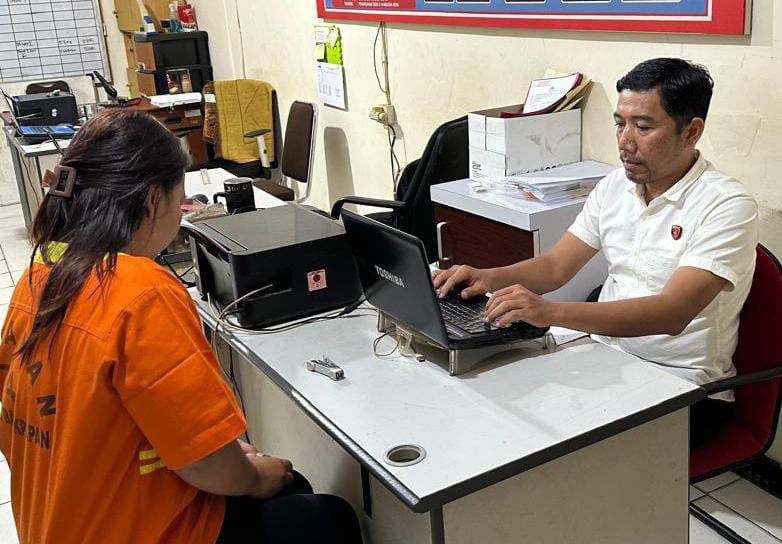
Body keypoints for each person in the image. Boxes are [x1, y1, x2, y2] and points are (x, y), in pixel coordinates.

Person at [0, 109, 363, 544]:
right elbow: (207, 466)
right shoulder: (141, 292)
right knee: (322, 512)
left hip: (55, 524)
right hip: (138, 531)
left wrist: (217, 458)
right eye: (180, 198)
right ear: (155, 199)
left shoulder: (40, 274)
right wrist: (257, 473)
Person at [434, 58, 759, 447]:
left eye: (643, 126)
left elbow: (673, 313)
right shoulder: (614, 187)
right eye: (620, 123)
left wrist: (551, 312)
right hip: (604, 357)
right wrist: (488, 276)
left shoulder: (727, 205)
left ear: (691, 131)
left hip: (682, 388)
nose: (624, 141)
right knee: (494, 401)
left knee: (541, 445)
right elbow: (555, 266)